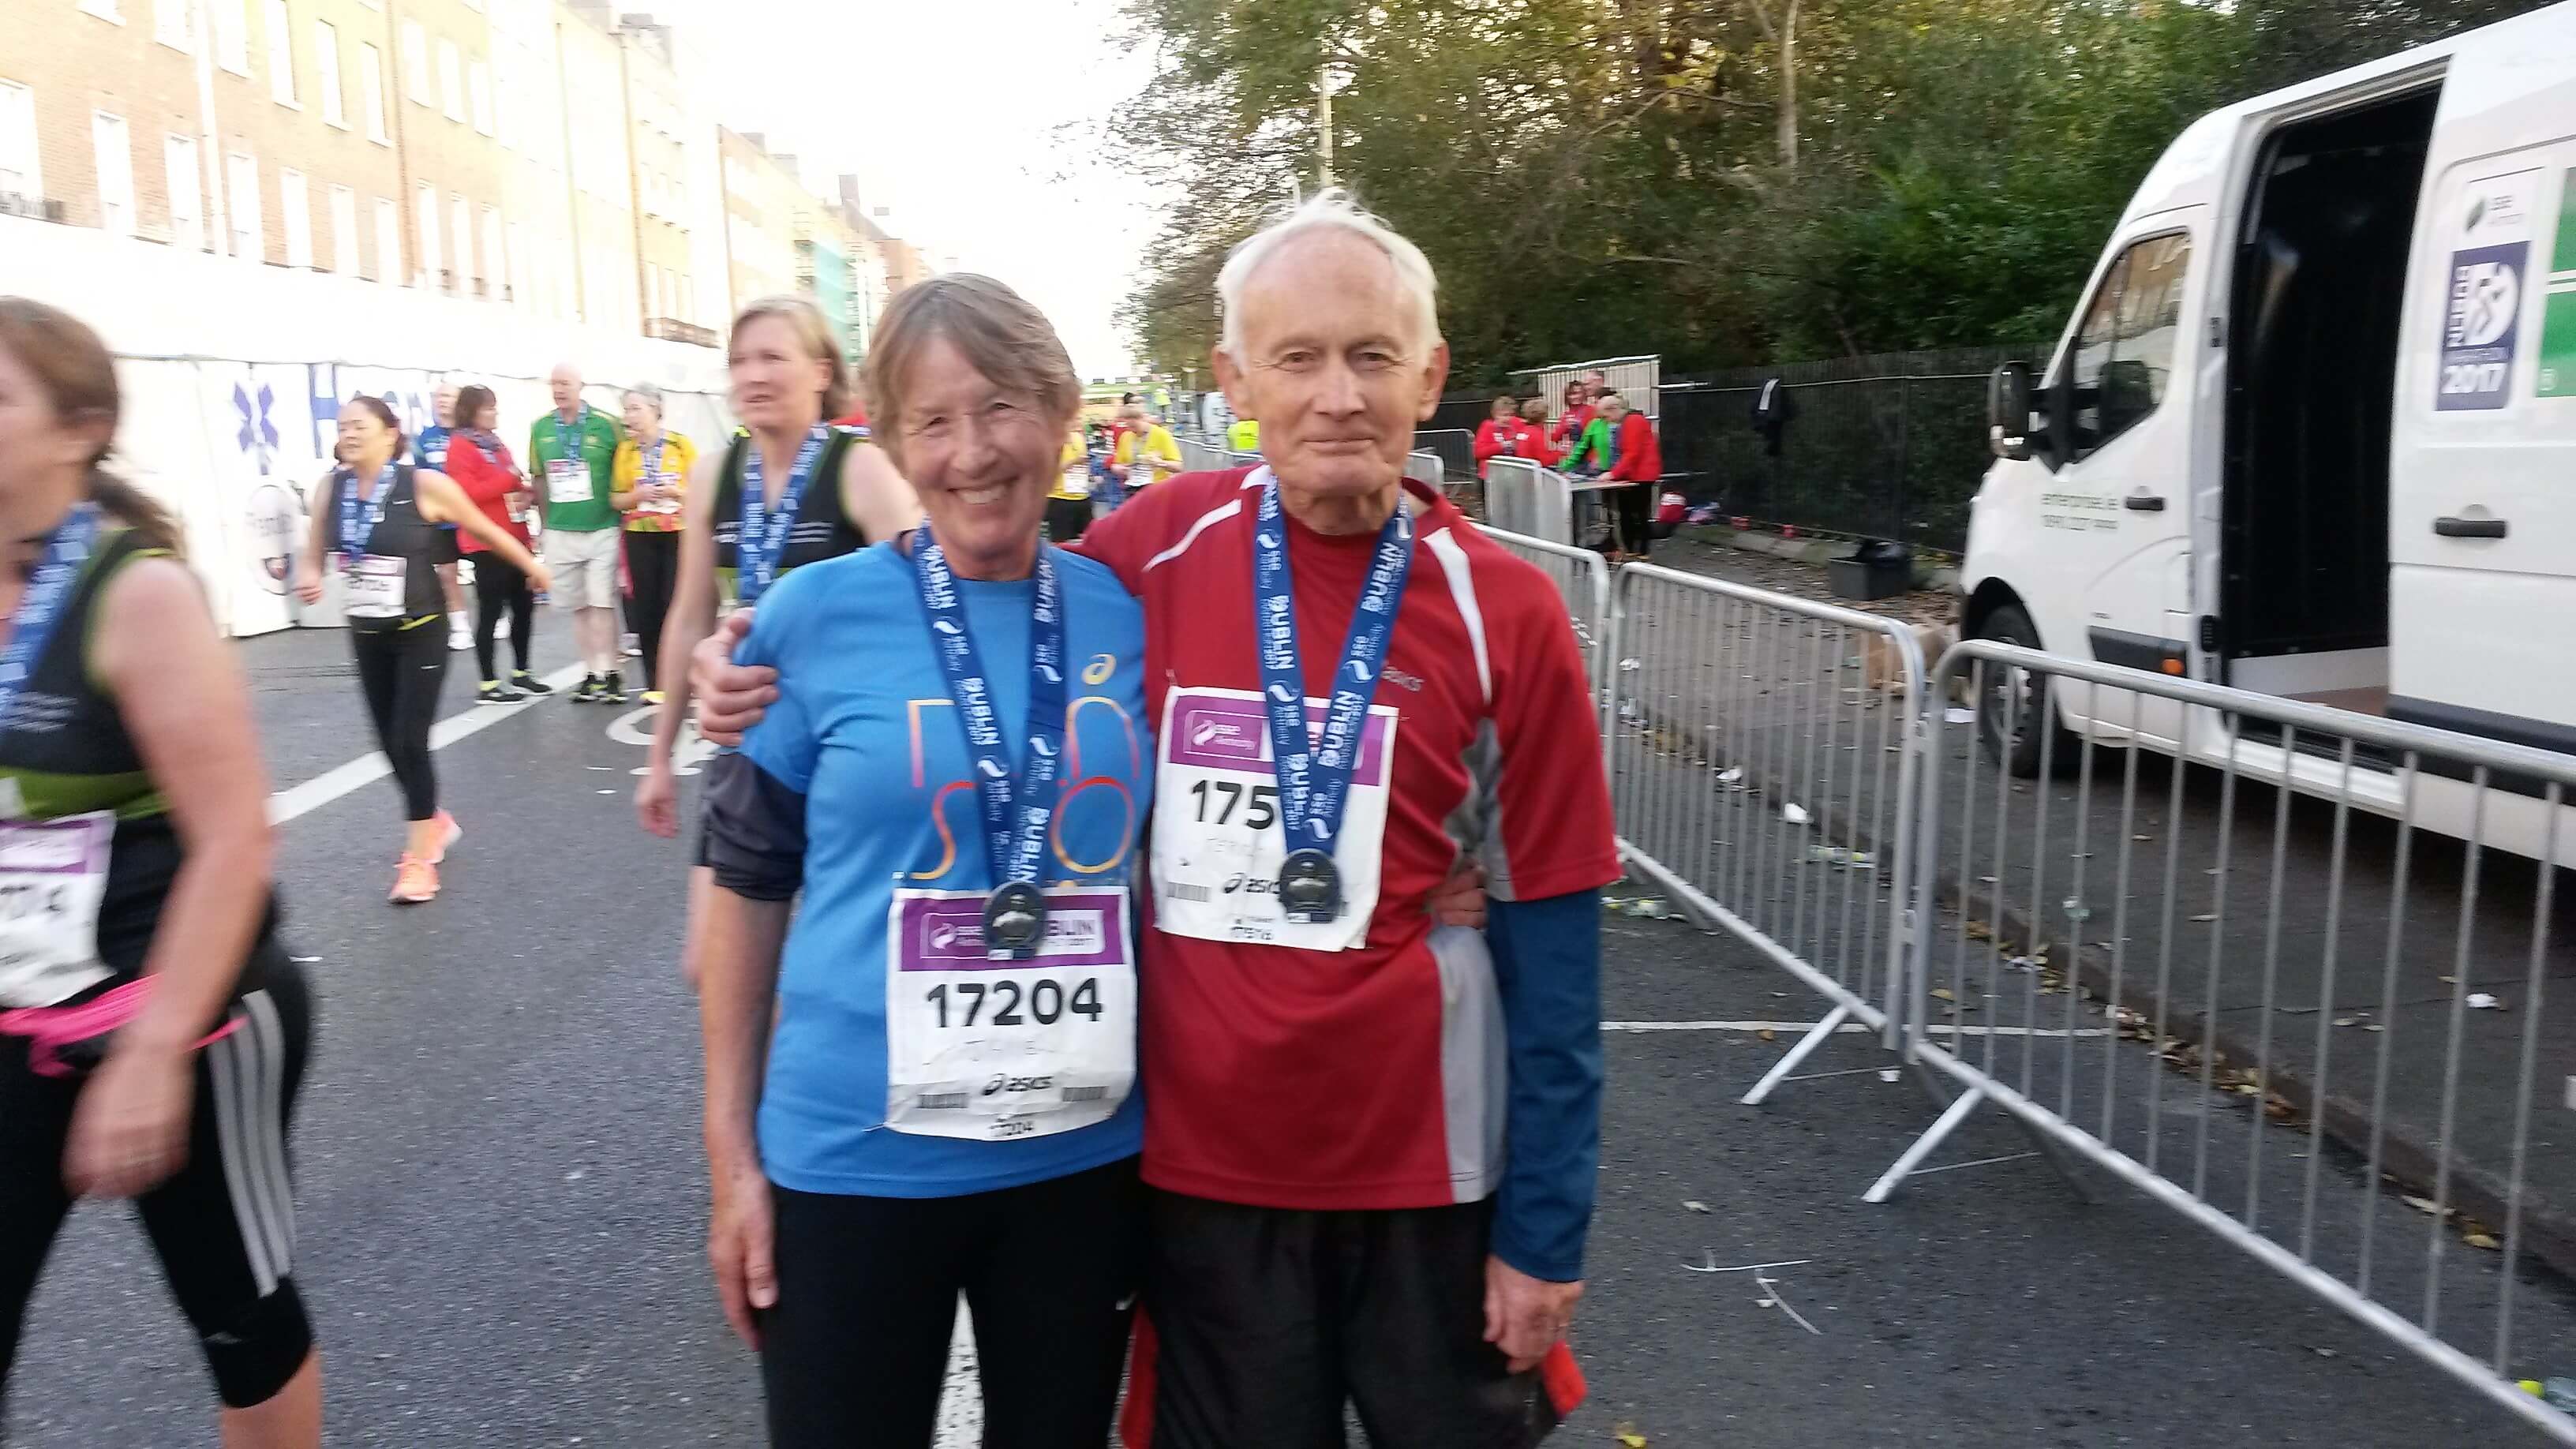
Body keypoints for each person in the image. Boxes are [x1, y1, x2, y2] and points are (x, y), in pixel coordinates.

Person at [696, 190, 1616, 1448]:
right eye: (1298, 358)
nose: (1337, 396)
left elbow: (1557, 942)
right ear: (1236, 376)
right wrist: (737, 660)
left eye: (1371, 356)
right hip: (1127, 1172)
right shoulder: (1153, 553)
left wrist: (1545, 1230)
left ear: (1430, 372)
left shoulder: (1475, 607)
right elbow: (771, 837)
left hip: (1304, 1169)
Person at [696, 274, 1152, 1448]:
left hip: (1080, 1156)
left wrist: (1437, 881)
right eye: (931, 423)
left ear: (1059, 416)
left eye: (999, 409)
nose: (971, 454)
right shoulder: (806, 617)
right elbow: (745, 891)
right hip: (853, 1156)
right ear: (892, 441)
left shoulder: (1127, 611)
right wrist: (732, 1160)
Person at [0, 298, 323, 1446]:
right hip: (17, 1019)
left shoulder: (136, 593)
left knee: (241, 1327)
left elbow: (237, 838)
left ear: (78, 428)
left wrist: (147, 1058)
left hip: (186, 1022)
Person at [631, 297, 916, 1001]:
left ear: (821, 372)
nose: (751, 375)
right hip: (749, 744)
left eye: (772, 357)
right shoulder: (714, 475)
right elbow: (691, 612)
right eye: (738, 361)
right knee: (713, 968)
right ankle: (760, 1104)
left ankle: (814, 1090)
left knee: (847, 966)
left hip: (845, 747)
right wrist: (659, 757)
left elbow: (929, 600)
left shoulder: (860, 469)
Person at [298, 396, 552, 902]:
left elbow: (483, 529)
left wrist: (532, 565)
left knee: (411, 741)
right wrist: (309, 575)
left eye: (360, 426)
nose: (348, 434)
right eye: (343, 425)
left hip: (422, 627)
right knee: (389, 744)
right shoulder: (333, 487)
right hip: (368, 628)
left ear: (391, 434)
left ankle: (418, 862)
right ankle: (432, 820)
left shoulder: (424, 485)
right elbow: (312, 550)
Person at [440, 385, 549, 704]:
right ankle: (487, 682)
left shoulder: (495, 443)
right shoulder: (460, 446)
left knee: (524, 607)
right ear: (472, 411)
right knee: (491, 610)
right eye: (488, 408)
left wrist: (524, 492)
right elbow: (467, 493)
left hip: (514, 534)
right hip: (485, 541)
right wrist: (508, 479)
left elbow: (509, 481)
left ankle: (521, 671)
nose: (494, 413)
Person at [531, 364, 627, 704]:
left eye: (566, 383)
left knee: (602, 602)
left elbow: (627, 464)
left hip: (603, 525)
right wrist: (545, 523)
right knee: (579, 606)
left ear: (581, 385)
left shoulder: (607, 424)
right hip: (561, 528)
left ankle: (612, 671)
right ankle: (591, 672)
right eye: (554, 383)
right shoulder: (541, 427)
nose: (559, 389)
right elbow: (538, 477)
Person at [613, 384, 695, 706]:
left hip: (677, 530)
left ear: (655, 410)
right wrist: (639, 496)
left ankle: (685, 676)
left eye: (635, 408)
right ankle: (655, 681)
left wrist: (676, 493)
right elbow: (616, 499)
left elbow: (702, 491)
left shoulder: (680, 445)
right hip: (640, 533)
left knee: (675, 604)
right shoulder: (626, 452)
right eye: (627, 409)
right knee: (646, 608)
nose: (629, 416)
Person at [414, 382, 475, 653]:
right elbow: (417, 476)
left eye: (448, 396)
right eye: (438, 397)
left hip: (472, 515)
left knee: (487, 570)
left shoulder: (473, 435)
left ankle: (495, 616)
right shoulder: (424, 439)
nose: (442, 401)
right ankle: (460, 627)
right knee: (447, 574)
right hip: (441, 520)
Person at [1598, 392, 1663, 560]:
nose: (1606, 421)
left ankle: (1640, 550)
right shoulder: (1630, 421)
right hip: (1635, 473)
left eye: (1606, 416)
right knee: (1628, 512)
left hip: (1641, 474)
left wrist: (1613, 473)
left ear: (1613, 410)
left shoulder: (1632, 422)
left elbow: (1632, 453)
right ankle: (1633, 549)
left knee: (1638, 513)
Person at [1110, 403, 1181, 489]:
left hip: (1157, 488)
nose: (1132, 430)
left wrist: (1161, 463)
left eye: (1135, 426)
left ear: (1143, 419)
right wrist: (1119, 469)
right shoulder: (1126, 436)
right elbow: (1116, 464)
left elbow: (1178, 467)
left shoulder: (1161, 434)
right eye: (1129, 426)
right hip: (1133, 488)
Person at [1548, 377, 1594, 450]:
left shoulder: (1591, 410)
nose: (1576, 397)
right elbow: (1554, 437)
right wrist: (1564, 427)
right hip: (1575, 452)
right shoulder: (1567, 414)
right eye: (1572, 394)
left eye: (1579, 393)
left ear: (1584, 394)